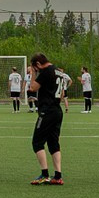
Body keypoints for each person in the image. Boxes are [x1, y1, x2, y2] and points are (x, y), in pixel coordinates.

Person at [28, 53, 66, 183]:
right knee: (53, 142)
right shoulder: (58, 71)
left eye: (35, 68)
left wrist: (33, 73)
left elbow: (32, 88)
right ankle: (58, 175)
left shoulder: (46, 71)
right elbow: (61, 94)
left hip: (47, 111)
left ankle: (44, 174)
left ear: (38, 64)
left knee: (37, 142)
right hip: (57, 110)